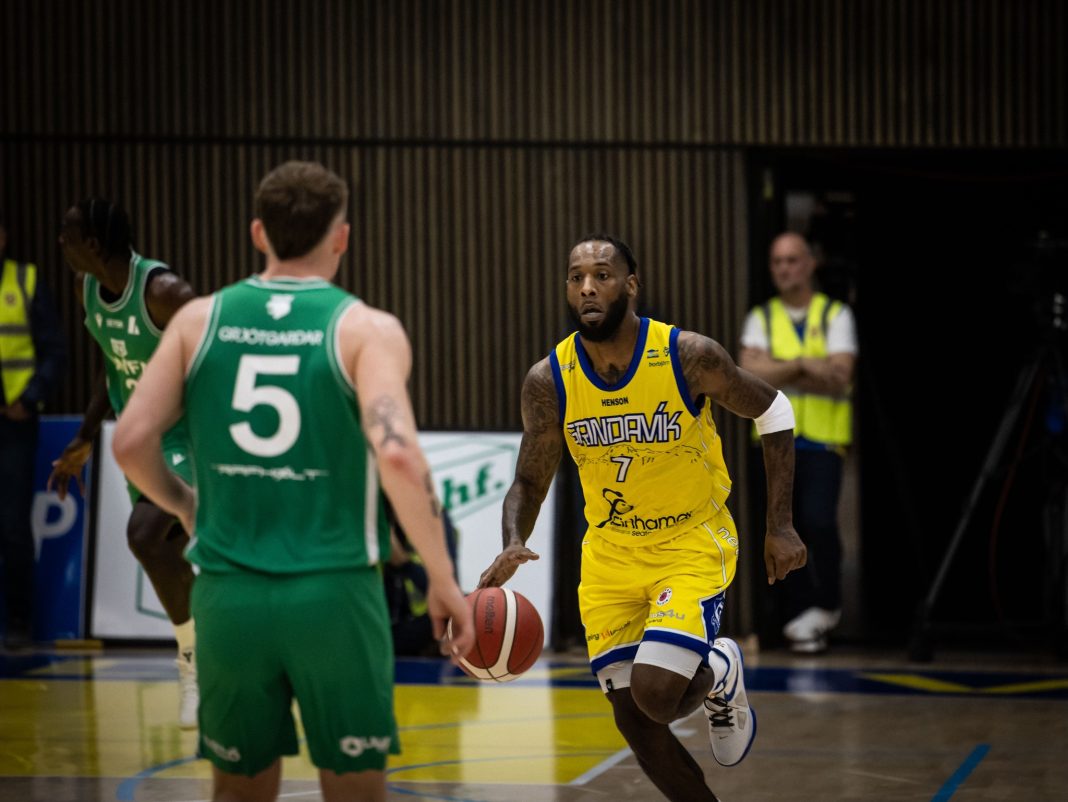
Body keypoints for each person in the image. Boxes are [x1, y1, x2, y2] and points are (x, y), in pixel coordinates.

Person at [111, 160, 474, 802]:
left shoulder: (198, 321)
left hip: (228, 594)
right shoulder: (366, 328)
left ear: (259, 233)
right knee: (355, 791)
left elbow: (130, 442)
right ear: (342, 237)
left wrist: (186, 505)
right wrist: (442, 580)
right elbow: (397, 456)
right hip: (334, 594)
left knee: (238, 791)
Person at [479, 234, 807, 802]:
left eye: (602, 275)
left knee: (657, 695)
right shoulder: (549, 380)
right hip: (610, 556)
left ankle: (720, 670)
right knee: (635, 721)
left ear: (630, 285)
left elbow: (774, 410)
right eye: (576, 277)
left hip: (689, 542)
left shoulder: (688, 356)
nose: (587, 287)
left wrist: (779, 524)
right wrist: (513, 540)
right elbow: (530, 481)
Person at [49, 199, 200, 726]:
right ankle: (204, 654)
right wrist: (85, 436)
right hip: (143, 439)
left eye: (68, 235)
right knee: (166, 552)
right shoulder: (86, 289)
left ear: (92, 244)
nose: (60, 243)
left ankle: (194, 663)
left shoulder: (164, 292)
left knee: (143, 534)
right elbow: (112, 367)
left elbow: (217, 356)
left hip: (189, 436)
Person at [739, 231, 857, 653]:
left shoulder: (835, 314)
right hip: (774, 444)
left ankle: (826, 605)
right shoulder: (762, 317)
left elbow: (840, 377)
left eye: (792, 260)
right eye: (777, 262)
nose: (784, 269)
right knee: (779, 528)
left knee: (818, 522)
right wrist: (806, 363)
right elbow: (749, 376)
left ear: (810, 263)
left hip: (822, 443)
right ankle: (797, 618)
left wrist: (778, 367)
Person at [0, 217, 67, 650]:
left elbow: (54, 350)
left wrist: (29, 397)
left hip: (14, 422)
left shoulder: (24, 280)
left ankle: (19, 622)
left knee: (12, 525)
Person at [383, 500, 460, 657]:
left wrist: (403, 562)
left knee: (471, 606)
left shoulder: (435, 518)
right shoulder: (372, 520)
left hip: (424, 624)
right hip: (381, 626)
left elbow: (448, 593)